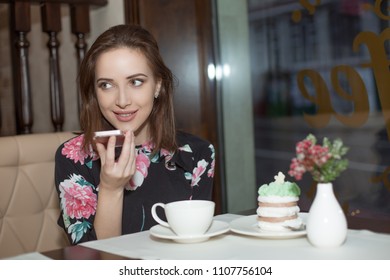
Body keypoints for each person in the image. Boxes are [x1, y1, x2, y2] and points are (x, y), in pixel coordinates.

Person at [55, 24, 215, 245]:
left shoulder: (197, 154)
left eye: (136, 82)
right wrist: (111, 188)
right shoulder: (74, 157)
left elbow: (195, 245)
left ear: (158, 85)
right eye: (106, 85)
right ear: (94, 91)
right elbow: (94, 261)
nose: (122, 100)